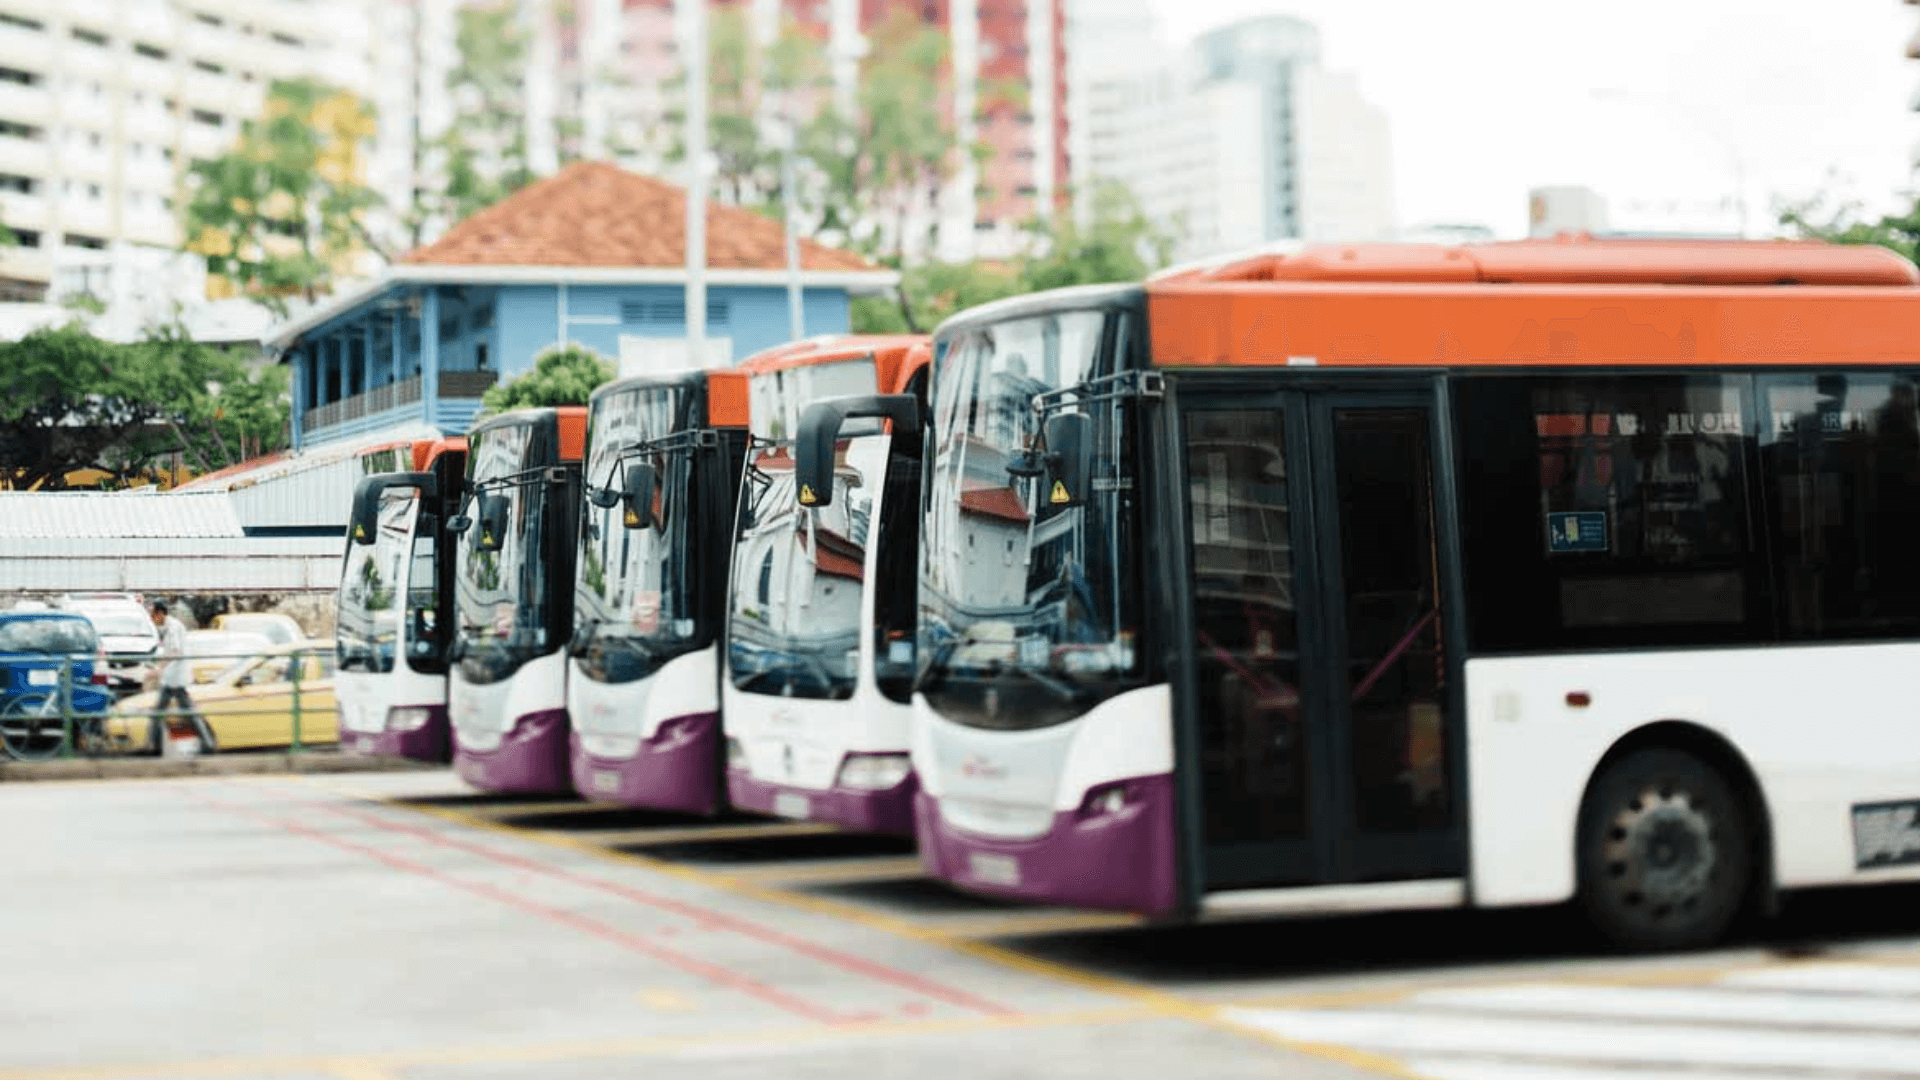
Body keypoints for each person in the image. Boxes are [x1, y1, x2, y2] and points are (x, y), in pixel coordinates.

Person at [149, 602, 212, 753]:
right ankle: (153, 745)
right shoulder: (169, 627)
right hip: (172, 677)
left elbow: (175, 651)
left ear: (160, 613)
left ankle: (152, 746)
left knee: (166, 711)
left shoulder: (173, 627)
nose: (151, 619)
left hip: (175, 677)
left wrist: (160, 668)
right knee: (167, 711)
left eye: (153, 615)